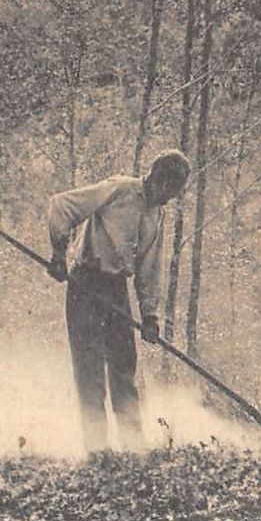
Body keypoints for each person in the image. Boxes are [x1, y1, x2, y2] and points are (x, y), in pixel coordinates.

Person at [47, 149, 191, 452]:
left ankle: (132, 448)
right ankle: (98, 451)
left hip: (117, 291)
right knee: (90, 371)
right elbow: (62, 205)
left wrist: (150, 315)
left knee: (124, 369)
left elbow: (149, 267)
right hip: (86, 284)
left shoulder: (157, 213)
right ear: (160, 179)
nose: (170, 199)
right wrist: (59, 254)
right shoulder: (119, 189)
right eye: (171, 191)